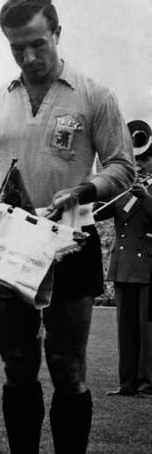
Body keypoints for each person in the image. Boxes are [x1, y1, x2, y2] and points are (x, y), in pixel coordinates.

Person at [0, 0, 134, 454]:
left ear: (57, 32)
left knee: (67, 366)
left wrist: (85, 189)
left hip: (69, 242)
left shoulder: (92, 96)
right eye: (17, 48)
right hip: (9, 242)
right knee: (17, 365)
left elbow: (124, 167)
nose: (29, 57)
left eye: (37, 43)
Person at [100, 120, 152, 397]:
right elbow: (98, 213)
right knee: (126, 330)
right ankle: (127, 384)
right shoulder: (123, 189)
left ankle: (147, 385)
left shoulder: (145, 191)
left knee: (148, 331)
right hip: (124, 267)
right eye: (136, 159)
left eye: (144, 158)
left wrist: (145, 198)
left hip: (148, 268)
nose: (140, 164)